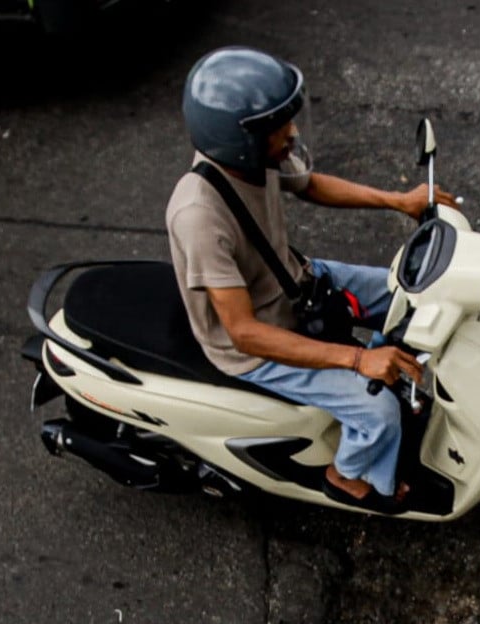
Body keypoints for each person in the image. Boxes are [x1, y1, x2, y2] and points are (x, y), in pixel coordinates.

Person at [165, 46, 455, 511]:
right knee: (379, 414)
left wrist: (397, 200)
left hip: (294, 282)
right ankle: (347, 475)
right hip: (257, 343)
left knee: (408, 290)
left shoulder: (252, 156)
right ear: (241, 138)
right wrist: (357, 360)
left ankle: (393, 362)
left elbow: (310, 183)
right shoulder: (199, 215)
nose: (292, 132)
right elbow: (244, 332)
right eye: (279, 127)